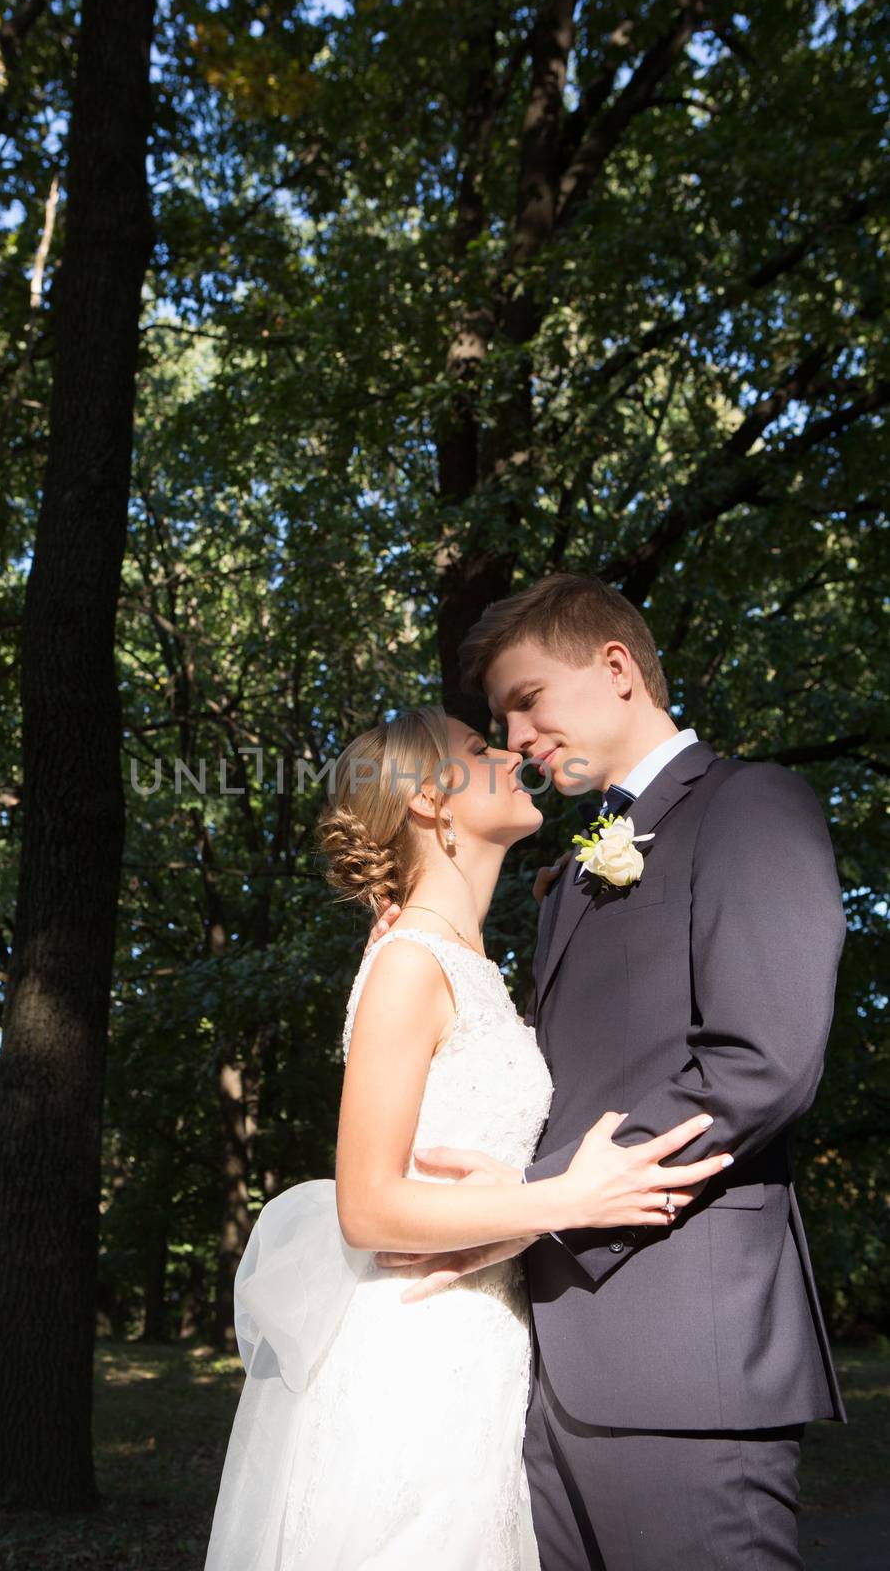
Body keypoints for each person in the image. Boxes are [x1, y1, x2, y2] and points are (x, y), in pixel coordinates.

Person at [372, 573, 847, 1570]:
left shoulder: (747, 804)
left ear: (616, 668)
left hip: (685, 1351)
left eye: (525, 698)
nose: (512, 736)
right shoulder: (569, 876)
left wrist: (538, 1203)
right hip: (544, 1361)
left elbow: (758, 1061)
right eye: (499, 716)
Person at [204, 702, 732, 1570]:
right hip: (411, 1351)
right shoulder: (412, 962)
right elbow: (367, 1210)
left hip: (478, 1348)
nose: (517, 752)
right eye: (482, 749)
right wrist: (566, 1198)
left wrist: (525, 1214)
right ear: (425, 801)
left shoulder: (462, 963)